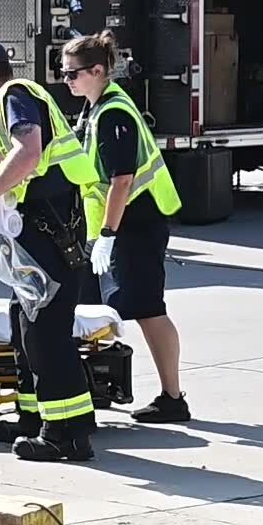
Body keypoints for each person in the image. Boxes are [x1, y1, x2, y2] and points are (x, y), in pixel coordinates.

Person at [0, 36, 102, 462]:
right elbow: (17, 186)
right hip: (34, 238)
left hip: (49, 234)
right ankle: (33, 420)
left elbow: (29, 152)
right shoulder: (3, 108)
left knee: (46, 335)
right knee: (24, 326)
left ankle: (65, 435)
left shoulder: (15, 97)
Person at [62, 32, 190, 424]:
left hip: (135, 225)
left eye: (72, 74)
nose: (66, 80)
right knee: (93, 310)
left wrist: (108, 236)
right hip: (112, 226)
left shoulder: (114, 113)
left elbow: (121, 180)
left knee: (147, 308)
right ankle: (95, 388)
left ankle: (173, 397)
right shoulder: (95, 107)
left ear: (98, 71)